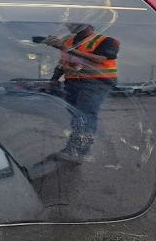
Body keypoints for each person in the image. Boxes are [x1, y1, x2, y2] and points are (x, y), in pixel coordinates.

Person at [45, 23, 119, 161]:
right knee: (76, 116)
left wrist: (66, 48)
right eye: (70, 23)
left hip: (96, 82)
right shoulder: (67, 40)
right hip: (72, 82)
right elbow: (63, 61)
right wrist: (54, 79)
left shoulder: (106, 41)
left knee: (85, 115)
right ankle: (74, 149)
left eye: (77, 22)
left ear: (90, 23)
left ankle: (79, 151)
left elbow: (99, 59)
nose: (72, 25)